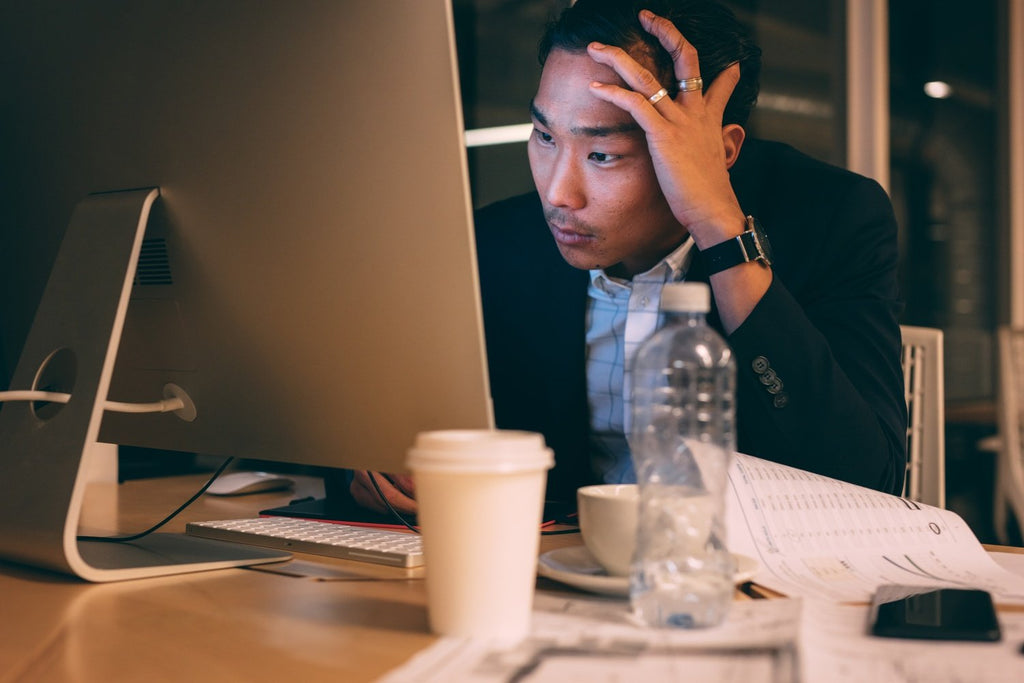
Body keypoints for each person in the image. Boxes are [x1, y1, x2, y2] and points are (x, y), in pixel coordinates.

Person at [351, 0, 907, 513]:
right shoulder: (496, 244)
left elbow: (868, 481)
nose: (558, 194)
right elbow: (378, 434)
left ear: (721, 150)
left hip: (744, 591)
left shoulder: (832, 219)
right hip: (549, 584)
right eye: (544, 137)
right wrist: (382, 472)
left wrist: (720, 228)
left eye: (603, 154)